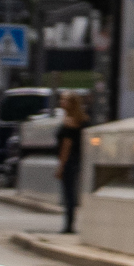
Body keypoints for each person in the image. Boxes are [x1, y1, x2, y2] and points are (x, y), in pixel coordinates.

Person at [55, 91, 88, 234]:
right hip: (78, 160)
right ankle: (70, 223)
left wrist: (61, 167)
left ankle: (68, 225)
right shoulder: (83, 120)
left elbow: (66, 147)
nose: (62, 102)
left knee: (68, 194)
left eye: (65, 100)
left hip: (69, 161)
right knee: (72, 193)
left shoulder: (69, 122)